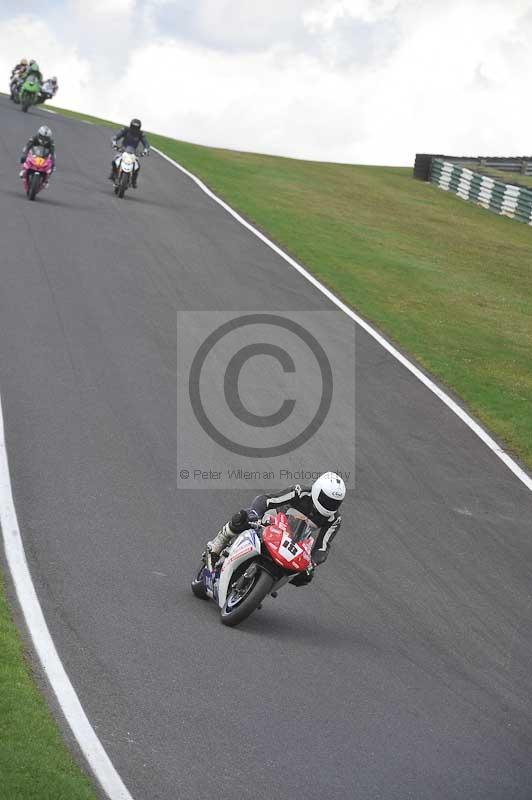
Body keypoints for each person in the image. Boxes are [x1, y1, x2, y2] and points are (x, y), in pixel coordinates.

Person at [207, 472, 346, 586]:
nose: (330, 505)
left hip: (295, 540)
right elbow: (267, 500)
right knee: (242, 518)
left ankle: (266, 588)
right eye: (327, 500)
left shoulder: (334, 519)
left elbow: (322, 547)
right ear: (317, 490)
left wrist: (313, 563)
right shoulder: (300, 492)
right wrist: (256, 514)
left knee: (305, 577)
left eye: (335, 503)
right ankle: (217, 545)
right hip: (273, 522)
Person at [108, 118, 150, 188]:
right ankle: (113, 175)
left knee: (138, 166)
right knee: (114, 160)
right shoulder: (125, 130)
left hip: (134, 152)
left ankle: (134, 181)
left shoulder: (141, 134)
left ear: (139, 127)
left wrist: (146, 150)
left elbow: (146, 144)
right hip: (123, 149)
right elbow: (117, 136)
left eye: (136, 127)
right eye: (134, 126)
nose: (135, 128)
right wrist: (114, 142)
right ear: (131, 125)